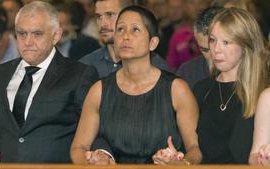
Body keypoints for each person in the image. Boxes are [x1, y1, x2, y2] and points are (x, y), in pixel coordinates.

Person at [71, 5, 202, 164]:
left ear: (152, 43)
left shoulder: (176, 89)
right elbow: (78, 148)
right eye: (120, 29)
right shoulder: (99, 90)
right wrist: (91, 163)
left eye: (135, 30)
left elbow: (195, 149)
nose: (125, 36)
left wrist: (182, 164)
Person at [0, 1, 98, 163]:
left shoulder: (79, 75)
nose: (28, 42)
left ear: (56, 35)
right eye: (22, 33)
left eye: (37, 34)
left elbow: (92, 135)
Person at [193, 7, 269, 164]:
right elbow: (193, 150)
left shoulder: (263, 93)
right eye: (213, 40)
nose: (216, 49)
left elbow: (256, 157)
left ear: (246, 45)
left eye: (226, 42)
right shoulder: (202, 90)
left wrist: (263, 160)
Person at [79, 0, 169, 78]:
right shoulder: (86, 65)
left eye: (110, 15)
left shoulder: (158, 68)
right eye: (99, 17)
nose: (103, 24)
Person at [177, 7, 224, 89]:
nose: (213, 55)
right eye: (205, 50)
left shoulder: (251, 72)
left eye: (221, 46)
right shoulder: (188, 72)